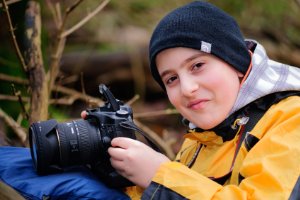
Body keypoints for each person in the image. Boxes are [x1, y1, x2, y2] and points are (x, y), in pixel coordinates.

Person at [85, 1, 300, 199]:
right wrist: (119, 173)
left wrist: (160, 176)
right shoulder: (200, 139)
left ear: (235, 61)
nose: (187, 89)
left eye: (197, 66)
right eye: (171, 79)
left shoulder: (292, 119)